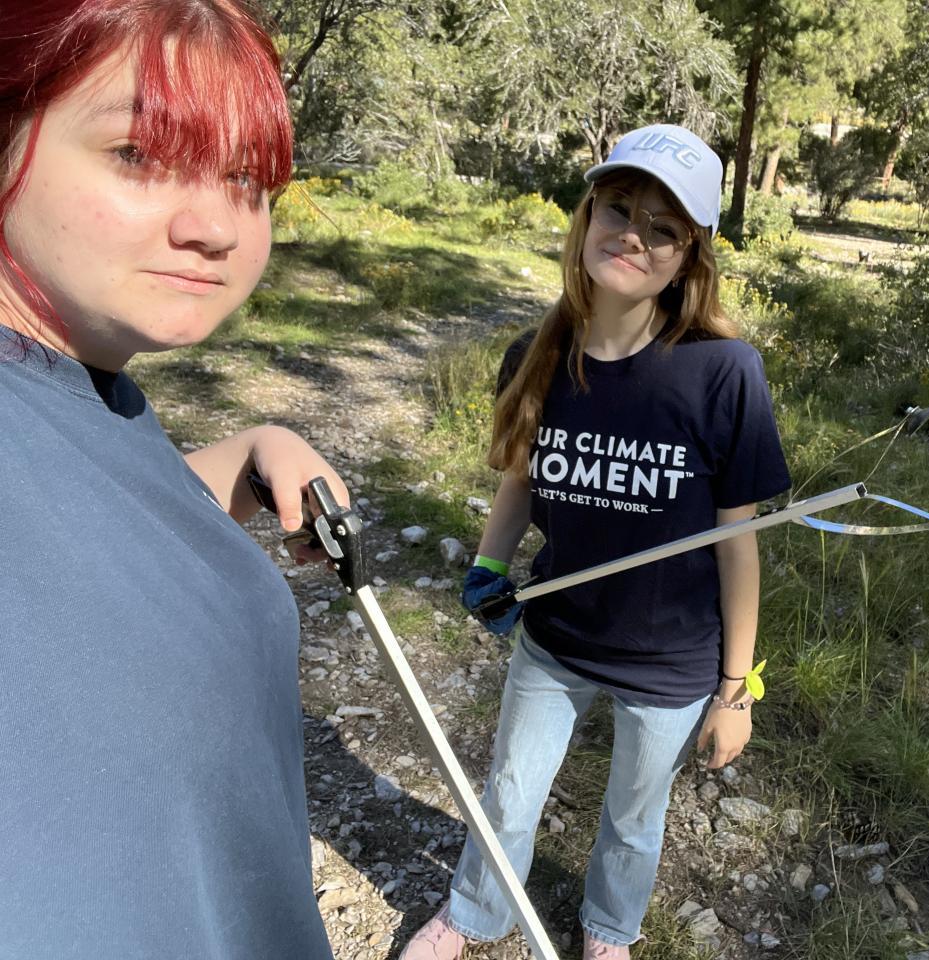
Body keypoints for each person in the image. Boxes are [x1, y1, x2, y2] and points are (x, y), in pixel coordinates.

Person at [401, 124, 791, 960]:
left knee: (634, 818)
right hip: (557, 639)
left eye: (663, 227)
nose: (634, 235)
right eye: (618, 208)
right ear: (586, 218)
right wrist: (490, 564)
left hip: (672, 663)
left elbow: (741, 545)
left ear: (687, 257)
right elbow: (520, 479)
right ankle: (475, 912)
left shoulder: (725, 372)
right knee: (509, 793)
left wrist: (735, 694)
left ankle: (609, 929)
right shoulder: (535, 354)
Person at [0, 2, 341, 957]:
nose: (215, 226)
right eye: (140, 155)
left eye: (245, 178)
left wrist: (240, 457)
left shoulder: (79, 384)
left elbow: (80, 534)